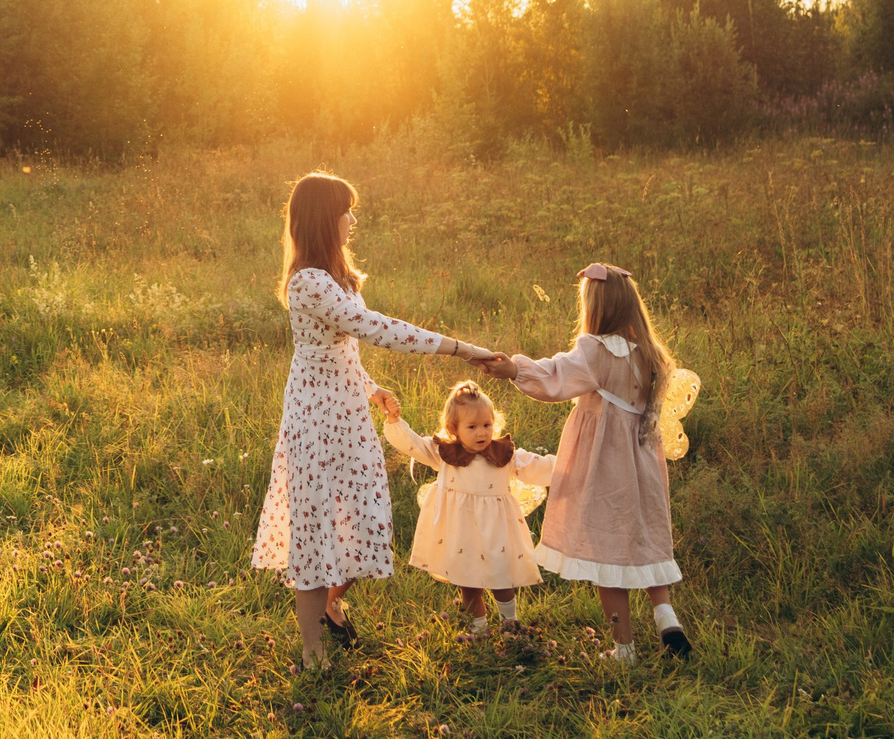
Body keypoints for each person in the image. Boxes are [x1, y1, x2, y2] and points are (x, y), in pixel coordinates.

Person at [250, 172, 503, 663]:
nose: (353, 219)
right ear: (326, 219)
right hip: (315, 421)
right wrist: (459, 349)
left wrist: (371, 387)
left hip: (347, 415)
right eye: (346, 210)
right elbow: (374, 329)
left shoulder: (335, 277)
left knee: (366, 520)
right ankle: (311, 648)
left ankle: (332, 604)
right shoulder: (307, 281)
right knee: (317, 526)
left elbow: (335, 350)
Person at [486, 262, 702, 662]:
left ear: (595, 308)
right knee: (647, 537)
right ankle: (667, 618)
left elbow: (556, 375)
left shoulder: (595, 351)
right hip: (643, 462)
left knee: (606, 552)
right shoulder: (649, 354)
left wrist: (514, 368)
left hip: (606, 465)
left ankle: (624, 649)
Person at [378, 380, 555, 637]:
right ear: (454, 429)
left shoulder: (503, 454)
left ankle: (511, 623)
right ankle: (478, 627)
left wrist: (569, 464)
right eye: (472, 427)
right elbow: (412, 444)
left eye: (487, 425)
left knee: (500, 576)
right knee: (467, 579)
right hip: (460, 531)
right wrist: (395, 421)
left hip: (495, 530)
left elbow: (536, 466)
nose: (481, 433)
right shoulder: (445, 453)